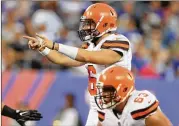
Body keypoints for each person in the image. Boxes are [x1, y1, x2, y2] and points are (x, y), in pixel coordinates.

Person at [23, 3, 132, 126]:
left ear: (105, 24)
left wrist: (55, 45)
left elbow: (88, 56)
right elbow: (61, 59)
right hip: (97, 107)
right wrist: (43, 48)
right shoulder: (91, 45)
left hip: (115, 107)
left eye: (90, 23)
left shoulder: (118, 42)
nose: (85, 27)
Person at [95, 66, 172, 126]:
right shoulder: (105, 112)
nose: (103, 94)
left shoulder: (139, 108)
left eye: (108, 90)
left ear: (124, 89)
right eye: (102, 90)